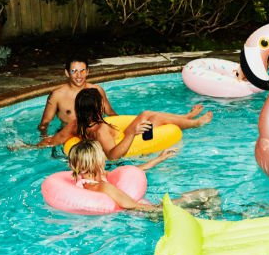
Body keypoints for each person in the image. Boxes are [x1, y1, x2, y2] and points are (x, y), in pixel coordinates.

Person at [67, 140, 219, 214]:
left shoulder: (93, 179)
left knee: (206, 201)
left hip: (145, 210)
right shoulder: (102, 186)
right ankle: (222, 216)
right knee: (210, 194)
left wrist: (159, 158)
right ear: (98, 159)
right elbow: (133, 206)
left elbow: (131, 172)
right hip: (146, 214)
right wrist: (170, 208)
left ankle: (214, 214)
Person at [67, 88, 213, 160]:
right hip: (128, 142)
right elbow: (112, 156)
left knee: (145, 113)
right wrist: (131, 133)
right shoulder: (101, 130)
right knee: (156, 119)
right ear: (97, 107)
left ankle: (186, 117)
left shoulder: (80, 124)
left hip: (120, 137)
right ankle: (195, 123)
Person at [37, 57, 116, 146]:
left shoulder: (97, 91)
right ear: (67, 73)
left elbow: (111, 113)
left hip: (95, 134)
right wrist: (44, 137)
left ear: (87, 72)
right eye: (74, 71)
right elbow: (44, 123)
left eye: (82, 71)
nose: (79, 75)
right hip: (69, 137)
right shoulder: (57, 95)